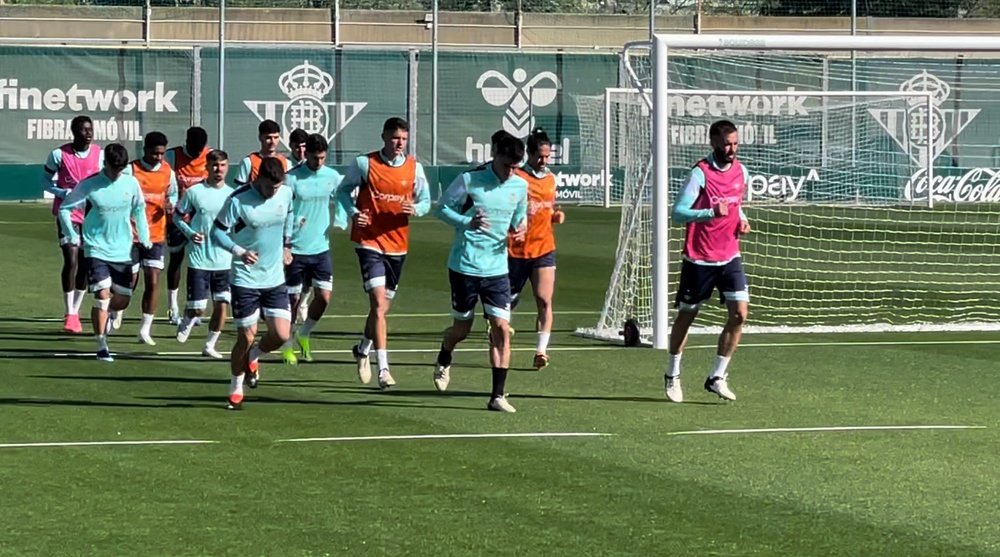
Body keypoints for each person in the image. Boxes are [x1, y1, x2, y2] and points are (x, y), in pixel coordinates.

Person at [432, 134, 528, 413]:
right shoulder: (469, 180)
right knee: (462, 329)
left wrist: (520, 228)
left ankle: (497, 395)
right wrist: (466, 222)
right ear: (495, 154)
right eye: (507, 164)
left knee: (501, 329)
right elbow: (442, 209)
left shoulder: (520, 185)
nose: (510, 171)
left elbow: (520, 216)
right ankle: (445, 352)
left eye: (515, 166)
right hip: (465, 266)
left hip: (498, 269)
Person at [337, 117, 430, 388]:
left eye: (403, 138)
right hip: (369, 243)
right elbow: (343, 192)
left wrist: (418, 209)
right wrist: (354, 213)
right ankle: (384, 369)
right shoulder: (365, 164)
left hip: (398, 245)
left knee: (382, 309)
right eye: (394, 138)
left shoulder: (414, 168)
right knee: (378, 305)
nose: (399, 143)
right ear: (384, 137)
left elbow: (425, 200)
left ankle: (363, 347)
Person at [664, 119, 751, 403]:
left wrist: (742, 220)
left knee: (739, 313)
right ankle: (673, 374)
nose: (732, 148)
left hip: (730, 256)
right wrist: (710, 213)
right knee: (687, 316)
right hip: (699, 259)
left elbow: (736, 206)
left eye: (736, 143)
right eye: (727, 144)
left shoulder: (741, 172)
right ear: (714, 143)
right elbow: (678, 213)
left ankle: (717, 376)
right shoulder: (700, 174)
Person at [212, 157, 294, 411]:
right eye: (270, 187)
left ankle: (255, 356)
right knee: (245, 337)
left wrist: (287, 245)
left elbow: (289, 216)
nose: (273, 193)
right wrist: (239, 250)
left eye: (277, 188)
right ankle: (236, 387)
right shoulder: (238, 200)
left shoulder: (286, 194)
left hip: (275, 278)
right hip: (245, 278)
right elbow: (217, 232)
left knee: (281, 335)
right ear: (258, 179)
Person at [57, 143, 150, 362]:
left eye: (121, 168)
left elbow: (139, 209)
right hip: (95, 248)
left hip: (123, 250)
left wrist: (144, 235)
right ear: (105, 163)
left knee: (123, 300)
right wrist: (71, 233)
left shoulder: (131, 183)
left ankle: (106, 315)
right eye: (114, 167)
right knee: (102, 295)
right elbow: (64, 208)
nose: (117, 172)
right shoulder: (90, 185)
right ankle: (101, 346)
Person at [279, 134, 344, 365]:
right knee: (293, 299)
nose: (319, 162)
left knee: (324, 297)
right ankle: (286, 344)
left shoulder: (332, 176)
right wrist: (285, 242)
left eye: (323, 158)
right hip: (295, 247)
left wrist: (343, 218)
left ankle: (304, 333)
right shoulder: (292, 179)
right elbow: (282, 208)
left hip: (320, 248)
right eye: (315, 158)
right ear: (305, 154)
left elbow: (345, 197)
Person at [508, 128, 565, 370]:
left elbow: (549, 208)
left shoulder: (551, 179)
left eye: (547, 156)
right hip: (516, 250)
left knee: (544, 300)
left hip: (544, 248)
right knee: (506, 302)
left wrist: (555, 215)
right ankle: (497, 328)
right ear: (529, 155)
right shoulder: (517, 178)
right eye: (540, 156)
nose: (544, 161)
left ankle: (541, 351)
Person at [42, 115, 103, 334]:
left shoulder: (99, 155)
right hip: (66, 214)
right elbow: (44, 181)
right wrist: (61, 192)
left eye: (91, 130)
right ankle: (69, 312)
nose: (88, 134)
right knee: (71, 258)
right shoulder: (59, 154)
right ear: (74, 131)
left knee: (86, 264)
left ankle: (76, 311)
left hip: (91, 215)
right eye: (84, 130)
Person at [173, 150, 234, 359]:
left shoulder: (233, 195)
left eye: (223, 165)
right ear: (206, 167)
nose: (219, 170)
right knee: (199, 309)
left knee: (222, 305)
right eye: (215, 165)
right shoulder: (194, 192)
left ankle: (209, 345)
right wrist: (190, 233)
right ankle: (188, 318)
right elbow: (177, 217)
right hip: (200, 259)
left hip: (224, 261)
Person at [126, 131, 178, 346]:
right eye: (155, 153)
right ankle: (115, 312)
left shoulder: (168, 171)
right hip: (131, 233)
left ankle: (145, 329)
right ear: (145, 150)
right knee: (129, 281)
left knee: (153, 280)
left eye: (162, 154)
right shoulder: (132, 169)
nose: (159, 158)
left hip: (156, 234)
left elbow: (173, 194)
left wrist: (170, 204)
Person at [165, 126, 211, 325]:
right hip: (177, 219)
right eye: (195, 148)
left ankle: (193, 308)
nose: (198, 152)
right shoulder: (172, 156)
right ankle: (172, 307)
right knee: (176, 260)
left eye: (201, 148)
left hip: (200, 221)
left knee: (201, 264)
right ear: (187, 142)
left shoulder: (209, 156)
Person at [235, 119, 290, 186]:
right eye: (268, 138)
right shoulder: (248, 162)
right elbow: (239, 191)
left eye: (276, 137)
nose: (273, 142)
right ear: (260, 137)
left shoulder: (286, 162)